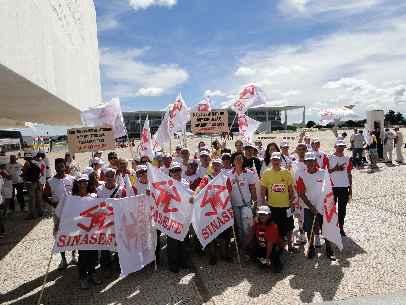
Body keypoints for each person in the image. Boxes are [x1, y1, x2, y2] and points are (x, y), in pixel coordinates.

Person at [296, 152, 335, 260]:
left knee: (326, 228)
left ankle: (329, 249)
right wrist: (311, 206)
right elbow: (301, 193)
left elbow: (329, 189)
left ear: (315, 161)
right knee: (310, 228)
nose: (310, 163)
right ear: (305, 162)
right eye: (308, 161)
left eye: (312, 161)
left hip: (323, 207)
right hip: (309, 207)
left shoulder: (323, 173)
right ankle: (311, 247)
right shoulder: (302, 175)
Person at [195, 159, 232, 265]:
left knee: (225, 233)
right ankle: (213, 255)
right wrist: (195, 195)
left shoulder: (225, 178)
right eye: (214, 165)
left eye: (218, 165)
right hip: (210, 210)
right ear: (212, 166)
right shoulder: (207, 178)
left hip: (222, 209)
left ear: (221, 167)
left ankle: (225, 254)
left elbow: (228, 192)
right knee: (212, 233)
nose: (216, 167)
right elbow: (200, 188)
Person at [43, 158, 76, 270]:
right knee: (59, 235)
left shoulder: (72, 179)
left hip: (72, 212)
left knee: (73, 234)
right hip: (58, 214)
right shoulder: (50, 182)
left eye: (62, 166)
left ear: (65, 167)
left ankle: (73, 256)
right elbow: (44, 196)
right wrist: (53, 204)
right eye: (58, 167)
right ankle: (63, 260)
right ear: (55, 167)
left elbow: (77, 193)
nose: (60, 168)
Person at [260, 152, 296, 253]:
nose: (275, 162)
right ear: (271, 161)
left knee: (289, 227)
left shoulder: (286, 172)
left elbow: (290, 189)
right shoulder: (266, 173)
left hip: (286, 205)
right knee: (275, 228)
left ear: (281, 161)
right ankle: (278, 246)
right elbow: (263, 190)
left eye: (277, 159)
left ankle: (290, 245)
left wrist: (292, 202)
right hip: (272, 206)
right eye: (274, 159)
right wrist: (264, 203)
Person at [71, 174, 101, 289]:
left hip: (92, 230)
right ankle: (83, 277)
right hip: (80, 231)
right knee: (83, 256)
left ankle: (92, 274)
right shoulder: (72, 198)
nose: (83, 184)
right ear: (77, 184)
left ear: (88, 183)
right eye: (80, 182)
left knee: (93, 254)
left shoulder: (94, 196)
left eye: (85, 182)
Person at [96, 168, 126, 278]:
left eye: (111, 175)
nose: (109, 178)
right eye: (107, 175)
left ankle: (119, 265)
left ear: (115, 177)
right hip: (104, 223)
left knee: (119, 245)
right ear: (104, 177)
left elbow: (126, 205)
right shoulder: (98, 190)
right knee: (105, 246)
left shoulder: (121, 190)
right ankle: (106, 267)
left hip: (118, 222)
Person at [166, 162, 192, 273]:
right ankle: (173, 264)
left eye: (178, 170)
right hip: (172, 216)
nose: (176, 173)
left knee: (183, 240)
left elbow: (189, 196)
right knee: (172, 241)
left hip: (183, 215)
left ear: (181, 171)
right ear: (170, 173)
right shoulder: (167, 184)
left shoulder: (186, 182)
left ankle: (183, 261)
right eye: (173, 171)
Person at [229, 151, 257, 249]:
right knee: (240, 226)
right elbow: (227, 190)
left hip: (247, 204)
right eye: (236, 158)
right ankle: (243, 246)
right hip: (235, 205)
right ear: (233, 161)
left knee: (248, 226)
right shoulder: (228, 175)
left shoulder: (249, 173)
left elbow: (253, 189)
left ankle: (250, 245)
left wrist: (255, 203)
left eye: (241, 158)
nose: (239, 160)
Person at [247, 206, 282, 272]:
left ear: (269, 215)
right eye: (260, 214)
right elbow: (251, 234)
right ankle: (262, 259)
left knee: (274, 259)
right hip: (262, 245)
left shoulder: (272, 226)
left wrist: (267, 258)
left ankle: (271, 261)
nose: (262, 216)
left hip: (272, 246)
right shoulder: (257, 223)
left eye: (264, 214)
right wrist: (246, 247)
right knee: (253, 253)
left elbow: (270, 244)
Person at [328, 140, 353, 236]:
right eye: (339, 146)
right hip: (332, 187)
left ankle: (341, 227)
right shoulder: (330, 158)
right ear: (335, 146)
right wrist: (335, 169)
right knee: (331, 209)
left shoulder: (347, 158)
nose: (341, 148)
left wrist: (350, 189)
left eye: (342, 146)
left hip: (344, 187)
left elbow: (349, 173)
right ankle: (332, 227)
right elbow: (325, 172)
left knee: (342, 209)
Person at [22, 153, 42, 220]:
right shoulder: (37, 163)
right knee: (38, 198)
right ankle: (40, 212)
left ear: (26, 158)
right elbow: (40, 173)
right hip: (37, 182)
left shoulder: (27, 163)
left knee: (31, 200)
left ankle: (32, 214)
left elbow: (24, 172)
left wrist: (23, 176)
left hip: (30, 183)